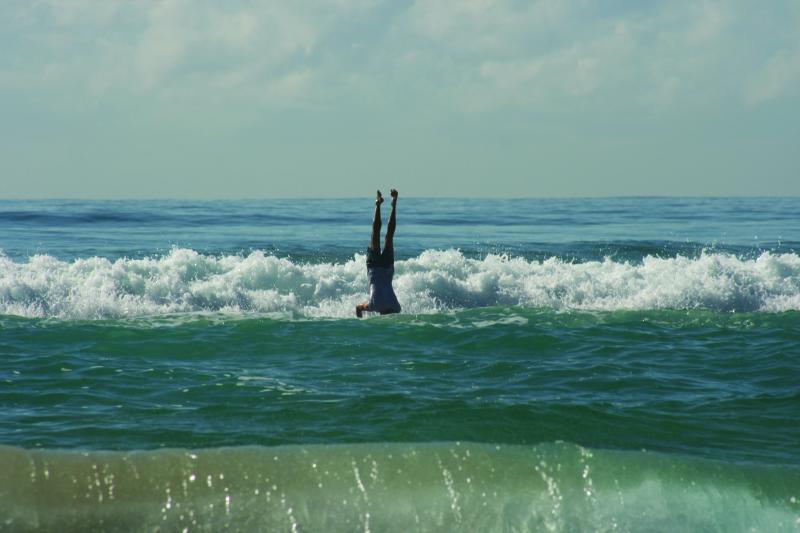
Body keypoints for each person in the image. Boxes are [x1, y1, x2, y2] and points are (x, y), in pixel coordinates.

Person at [356, 189, 401, 317]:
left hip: (387, 269)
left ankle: (393, 205)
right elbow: (358, 308)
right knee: (375, 234)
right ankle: (378, 204)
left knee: (389, 236)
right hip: (375, 268)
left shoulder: (396, 307)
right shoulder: (373, 306)